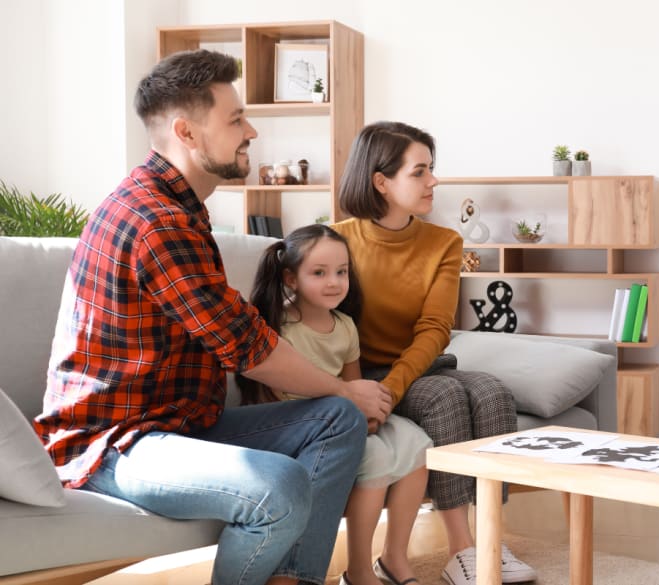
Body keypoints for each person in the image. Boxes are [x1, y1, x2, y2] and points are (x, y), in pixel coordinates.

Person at [33, 49, 392, 585]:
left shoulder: (181, 207)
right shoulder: (156, 221)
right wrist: (345, 387)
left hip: (181, 426)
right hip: (115, 443)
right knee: (279, 486)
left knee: (337, 421)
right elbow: (247, 347)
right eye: (236, 120)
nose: (252, 132)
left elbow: (238, 331)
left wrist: (343, 398)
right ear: (187, 132)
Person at [331, 121, 537, 585]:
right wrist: (366, 391)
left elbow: (435, 329)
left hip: (415, 368)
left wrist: (391, 390)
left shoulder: (444, 242)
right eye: (420, 171)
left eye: (432, 169)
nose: (434, 181)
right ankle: (461, 548)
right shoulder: (336, 240)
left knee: (493, 393)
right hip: (364, 373)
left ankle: (489, 539)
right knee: (445, 397)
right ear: (381, 181)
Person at [239, 224, 433, 585]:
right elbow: (270, 398)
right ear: (291, 278)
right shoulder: (278, 327)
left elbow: (353, 386)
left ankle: (394, 557)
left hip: (345, 415)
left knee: (418, 444)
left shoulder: (345, 326)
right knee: (376, 457)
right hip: (302, 426)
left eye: (341, 272)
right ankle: (359, 570)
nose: (334, 282)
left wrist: (371, 413)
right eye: (319, 273)